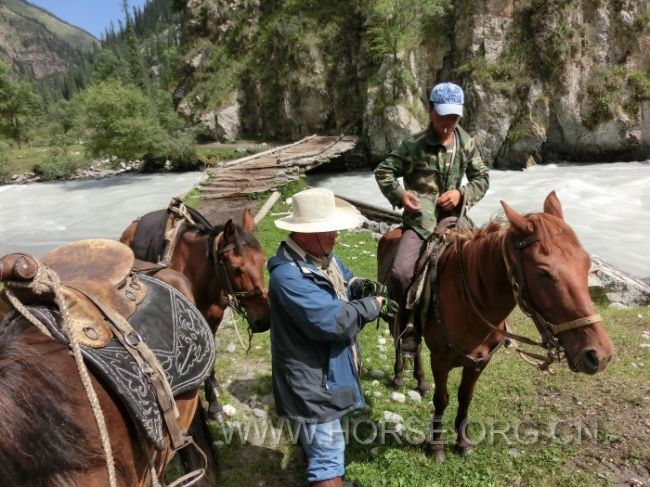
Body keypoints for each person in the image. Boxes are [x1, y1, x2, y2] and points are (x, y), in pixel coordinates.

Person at [268, 188, 398, 487]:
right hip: (312, 382)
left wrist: (360, 286)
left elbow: (343, 280)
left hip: (320, 374)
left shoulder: (320, 259)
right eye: (329, 230)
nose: (335, 236)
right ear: (305, 233)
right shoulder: (288, 276)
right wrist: (373, 305)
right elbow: (333, 323)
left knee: (321, 446)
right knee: (328, 458)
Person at [374, 82, 490, 354]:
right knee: (401, 272)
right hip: (420, 222)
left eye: (454, 116)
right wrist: (402, 195)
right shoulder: (413, 145)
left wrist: (462, 194)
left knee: (483, 263)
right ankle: (406, 328)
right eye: (443, 116)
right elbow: (383, 171)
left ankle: (485, 325)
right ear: (430, 111)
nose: (448, 122)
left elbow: (482, 177)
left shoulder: (466, 142)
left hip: (456, 219)